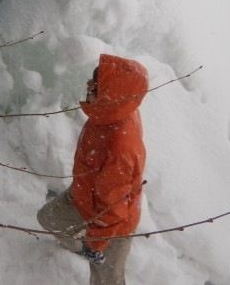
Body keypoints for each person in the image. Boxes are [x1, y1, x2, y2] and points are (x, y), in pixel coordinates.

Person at [37, 54, 148, 285]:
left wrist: (97, 244)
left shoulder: (119, 147)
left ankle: (88, 247)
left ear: (112, 95)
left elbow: (113, 209)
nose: (88, 85)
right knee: (48, 218)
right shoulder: (111, 112)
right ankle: (79, 245)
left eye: (95, 85)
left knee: (106, 279)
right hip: (85, 198)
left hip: (113, 227)